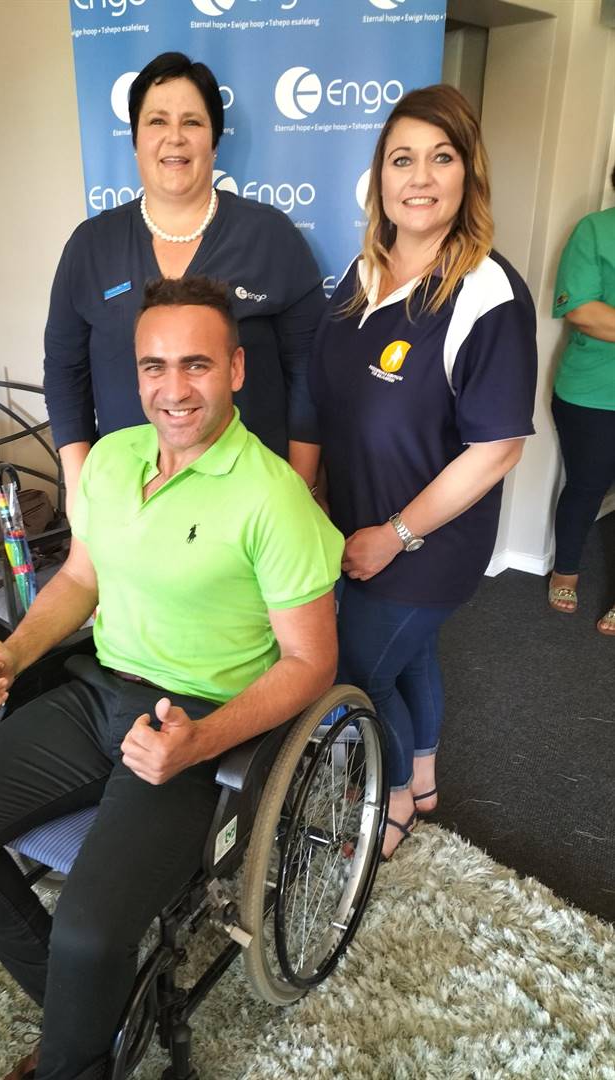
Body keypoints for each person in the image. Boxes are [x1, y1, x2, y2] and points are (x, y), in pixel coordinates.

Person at [0, 276, 343, 1080]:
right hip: (98, 688)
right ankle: (90, 1002)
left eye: (197, 364)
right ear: (136, 374)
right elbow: (80, 580)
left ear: (237, 369)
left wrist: (201, 740)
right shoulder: (111, 458)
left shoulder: (274, 499)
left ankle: (77, 1055)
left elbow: (313, 662)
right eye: (154, 366)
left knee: (90, 931)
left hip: (194, 719)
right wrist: (12, 655)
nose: (174, 389)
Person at [308, 84, 537, 860]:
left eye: (442, 158)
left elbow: (498, 448)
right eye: (402, 159)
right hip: (357, 517)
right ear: (380, 176)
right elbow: (327, 391)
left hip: (427, 540)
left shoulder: (488, 293)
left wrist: (395, 534)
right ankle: (426, 777)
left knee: (355, 670)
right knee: (412, 656)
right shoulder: (362, 271)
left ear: (469, 174)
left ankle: (395, 796)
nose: (420, 177)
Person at [43, 51, 325, 510]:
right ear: (135, 139)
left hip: (251, 503)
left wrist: (299, 485)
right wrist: (79, 488)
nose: (174, 137)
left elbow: (308, 371)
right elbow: (64, 372)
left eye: (192, 122)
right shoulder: (91, 246)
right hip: (130, 503)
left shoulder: (271, 236)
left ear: (214, 142)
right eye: (157, 121)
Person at [548, 163, 615, 636]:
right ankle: (566, 569)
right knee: (586, 486)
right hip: (592, 393)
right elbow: (583, 311)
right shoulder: (595, 230)